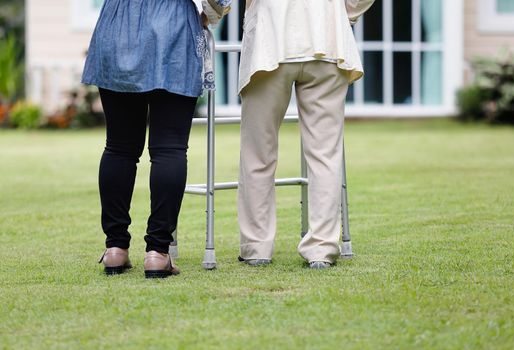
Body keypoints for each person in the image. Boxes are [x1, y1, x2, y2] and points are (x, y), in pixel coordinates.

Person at [82, 0, 230, 278]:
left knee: (118, 147)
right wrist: (212, 14)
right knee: (169, 148)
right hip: (173, 27)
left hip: (116, 27)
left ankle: (115, 248)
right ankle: (157, 253)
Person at [237, 0, 375, 269]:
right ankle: (322, 248)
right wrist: (342, 12)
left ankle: (256, 247)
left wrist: (211, 13)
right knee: (325, 154)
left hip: (270, 40)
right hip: (327, 36)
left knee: (258, 153)